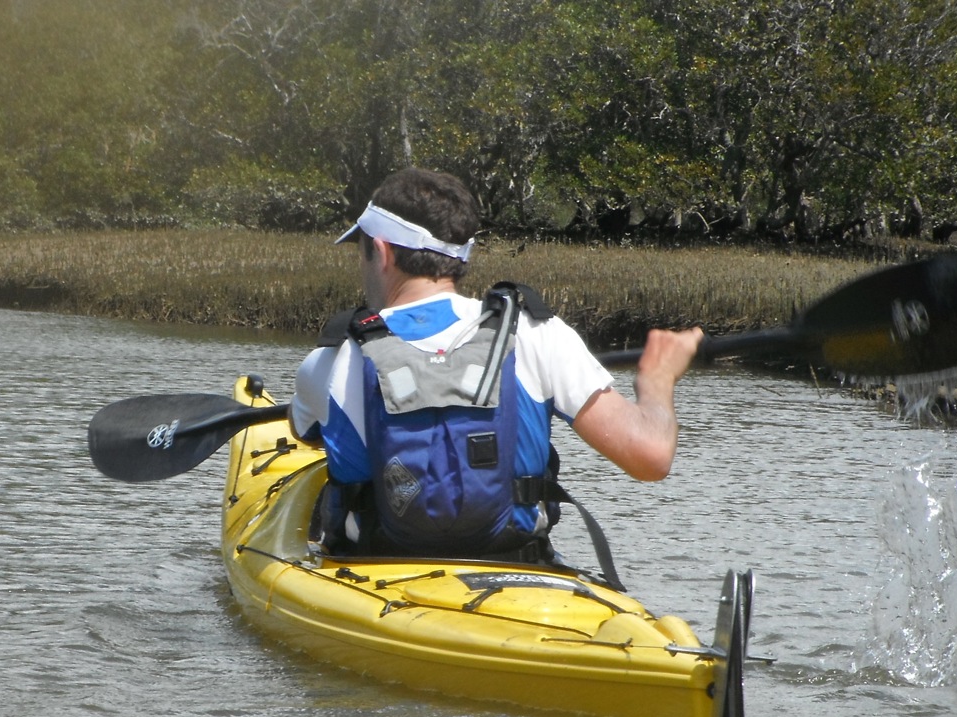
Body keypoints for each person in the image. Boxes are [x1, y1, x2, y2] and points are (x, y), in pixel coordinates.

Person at [290, 168, 702, 562]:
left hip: (376, 573)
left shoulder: (328, 361)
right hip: (514, 567)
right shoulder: (538, 333)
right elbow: (651, 457)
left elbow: (302, 432)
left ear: (381, 252)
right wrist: (658, 379)